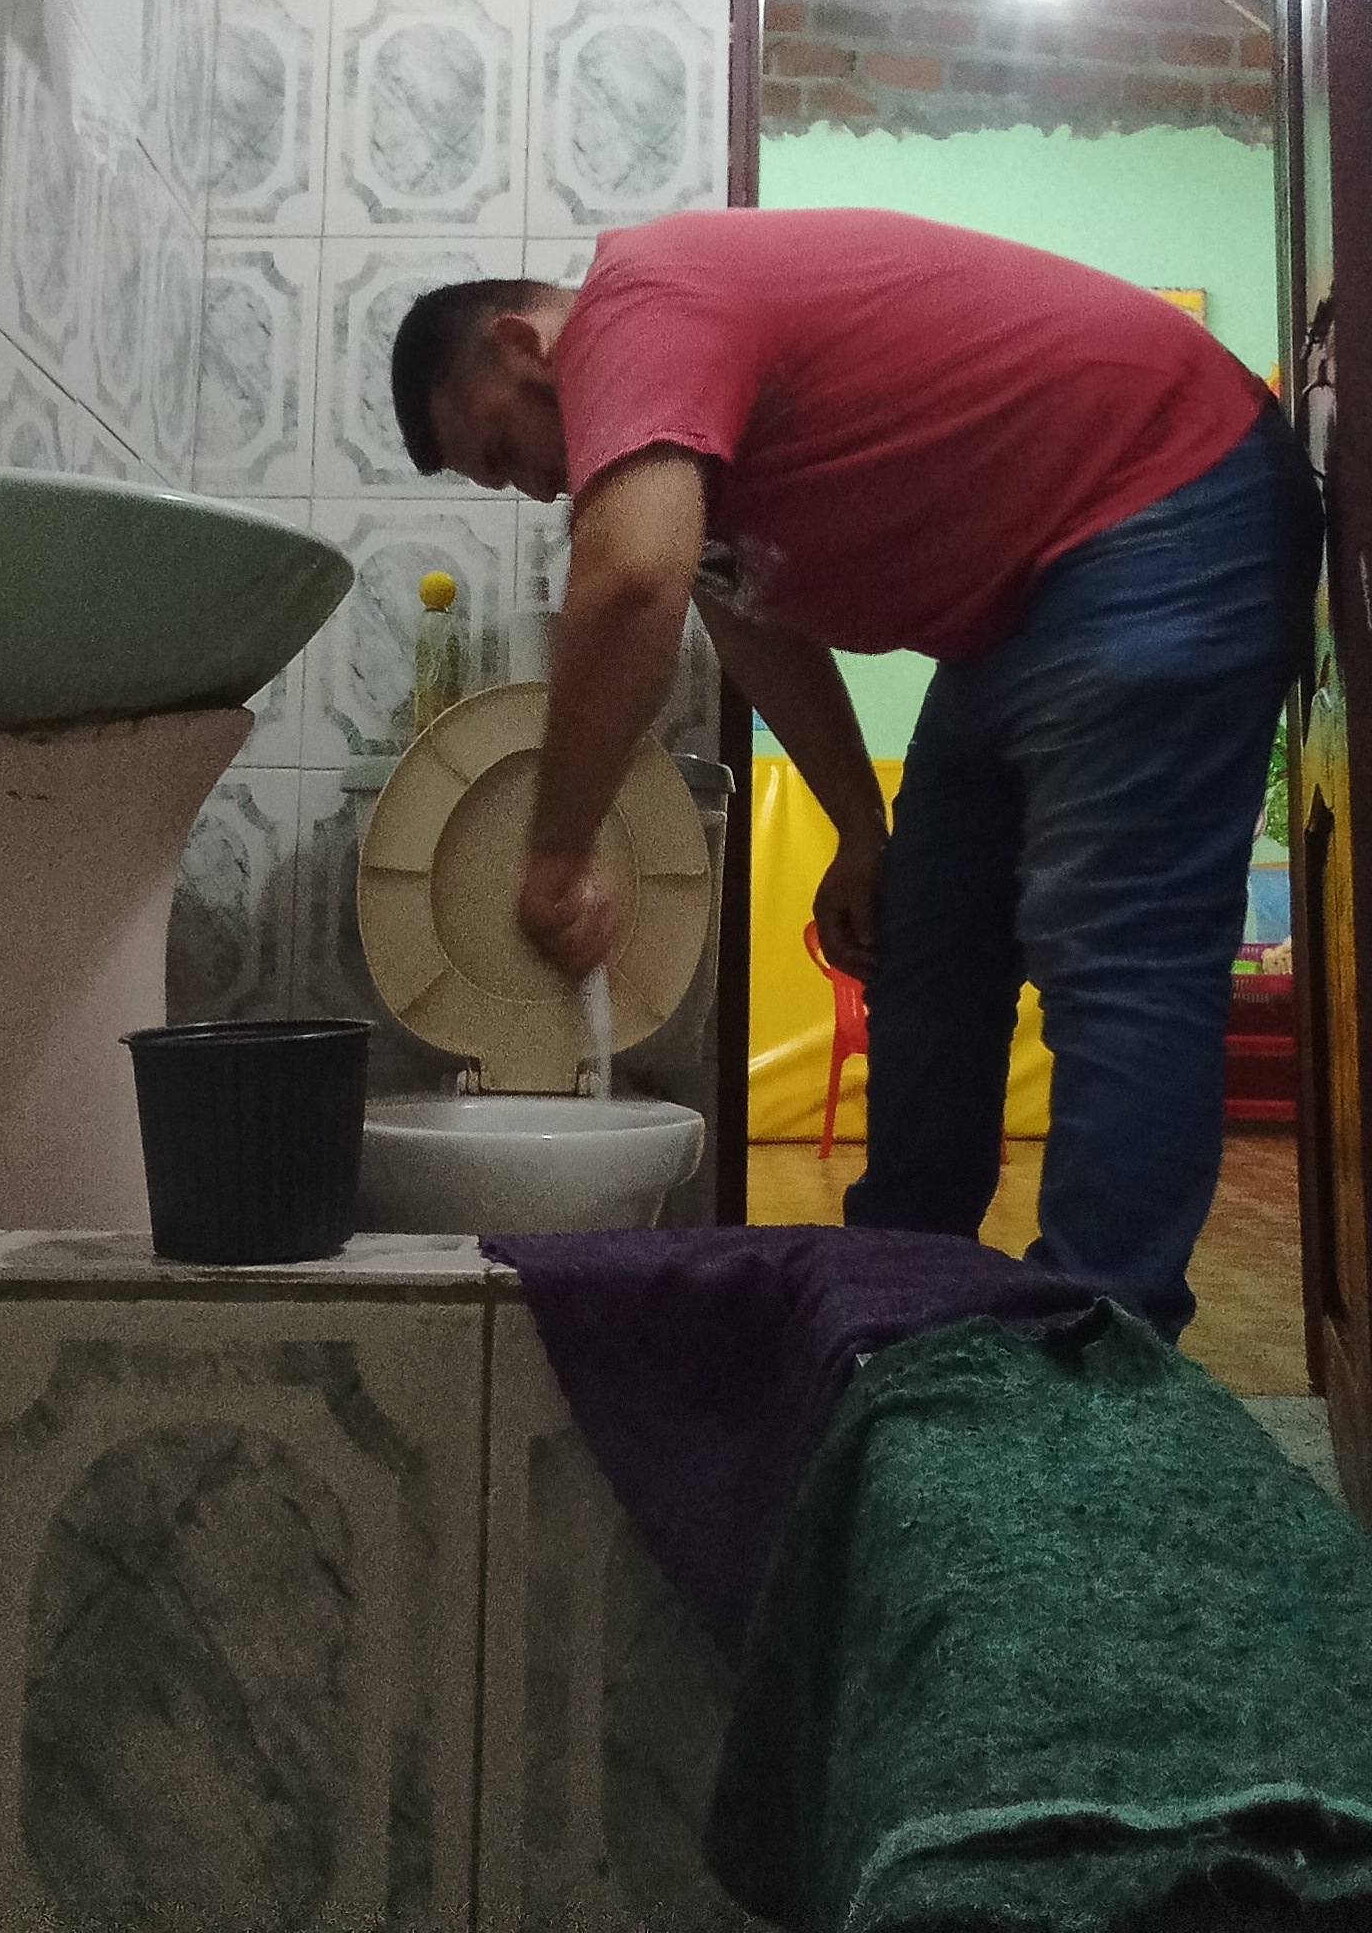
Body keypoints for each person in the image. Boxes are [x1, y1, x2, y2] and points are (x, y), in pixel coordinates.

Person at [390, 207, 1322, 1340]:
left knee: (1115, 952)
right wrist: (860, 829)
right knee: (922, 943)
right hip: (1018, 606)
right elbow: (751, 627)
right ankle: (907, 1299)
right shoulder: (691, 454)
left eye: (502, 451)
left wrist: (557, 853)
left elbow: (634, 580)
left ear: (521, 345)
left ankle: (1099, 1344)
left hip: (1170, 496)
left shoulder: (638, 296)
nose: (537, 491)